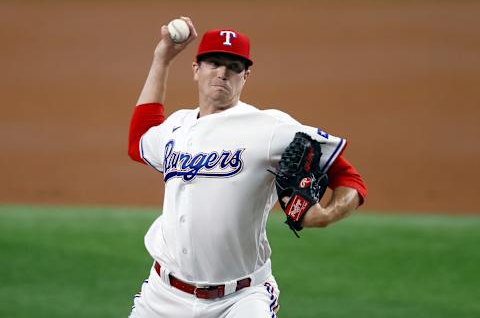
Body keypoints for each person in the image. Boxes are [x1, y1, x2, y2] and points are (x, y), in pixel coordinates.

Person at [127, 16, 367, 318]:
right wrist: (161, 59)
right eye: (213, 62)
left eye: (234, 66)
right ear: (196, 69)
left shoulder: (271, 127)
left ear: (246, 76)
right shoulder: (177, 125)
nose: (222, 73)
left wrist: (326, 214)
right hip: (162, 297)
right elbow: (139, 141)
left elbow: (349, 177)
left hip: (240, 299)